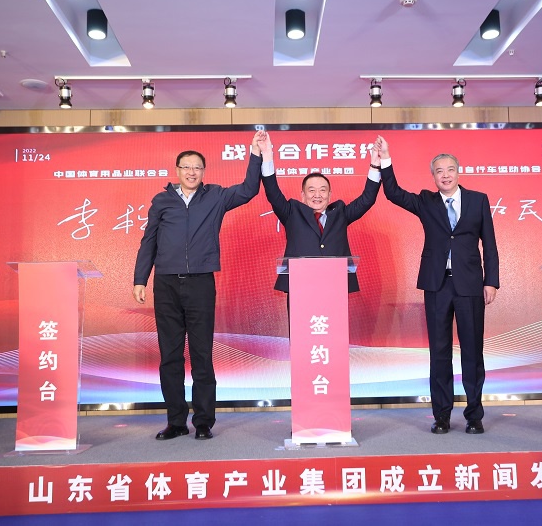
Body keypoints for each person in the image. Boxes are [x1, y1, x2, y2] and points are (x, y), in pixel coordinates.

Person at [133, 131, 266, 441]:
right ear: (177, 170)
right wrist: (141, 279)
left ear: (203, 172)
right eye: (186, 167)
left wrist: (255, 154)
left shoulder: (216, 196)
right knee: (170, 356)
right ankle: (176, 421)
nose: (191, 172)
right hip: (166, 284)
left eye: (197, 167)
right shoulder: (162, 201)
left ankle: (203, 421)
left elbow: (249, 190)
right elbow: (149, 240)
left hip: (201, 283)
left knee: (202, 354)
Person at [377, 136, 499, 435]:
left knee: (473, 351)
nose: (445, 175)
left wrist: (491, 281)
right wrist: (385, 159)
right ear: (433, 177)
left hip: (470, 285)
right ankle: (442, 415)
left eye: (450, 170)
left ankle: (474, 415)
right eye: (439, 171)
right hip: (437, 285)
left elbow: (490, 244)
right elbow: (393, 193)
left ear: (458, 172)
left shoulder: (478, 200)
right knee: (439, 352)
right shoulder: (426, 201)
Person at [260, 132, 381, 296]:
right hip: (300, 287)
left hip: (335, 286)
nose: (317, 195)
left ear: (329, 195)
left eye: (323, 190)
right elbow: (273, 193)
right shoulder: (291, 212)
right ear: (303, 195)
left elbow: (367, 199)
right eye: (311, 190)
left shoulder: (340, 213)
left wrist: (375, 165)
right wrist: (267, 156)